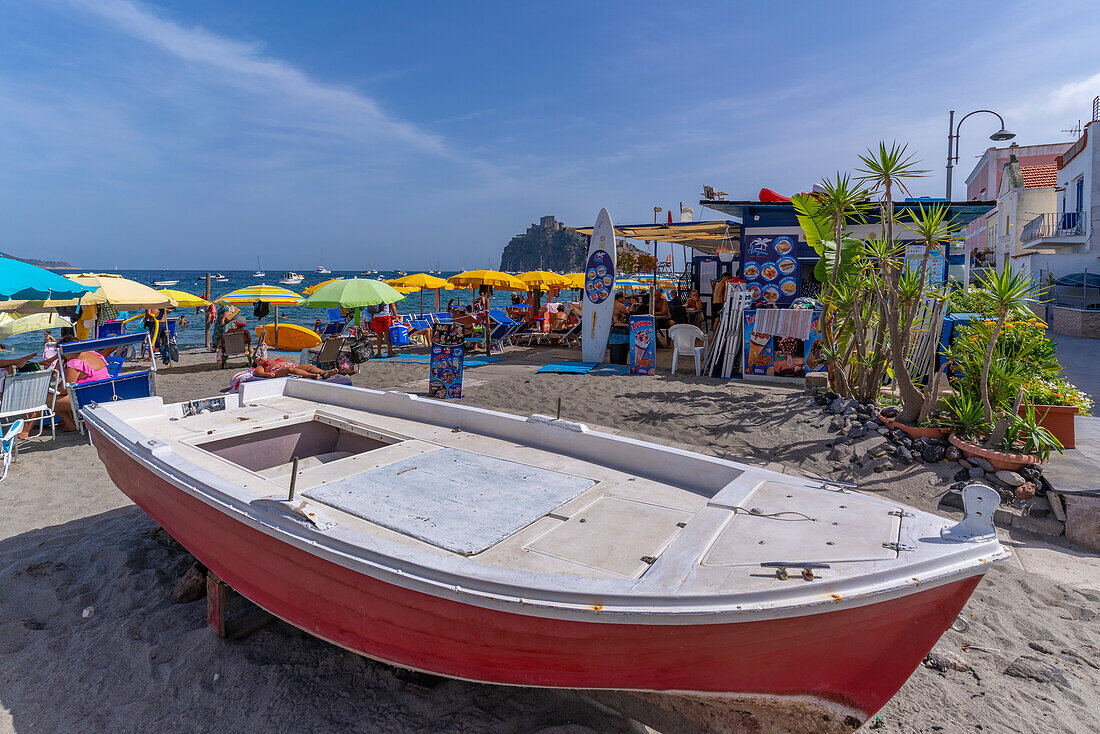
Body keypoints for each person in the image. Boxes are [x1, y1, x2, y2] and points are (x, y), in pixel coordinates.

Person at [52, 338, 110, 431]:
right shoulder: (94, 354)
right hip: (105, 393)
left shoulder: (75, 363)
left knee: (48, 399)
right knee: (52, 396)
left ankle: (70, 424)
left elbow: (67, 389)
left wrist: (54, 390)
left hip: (88, 399)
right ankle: (69, 424)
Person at [251, 355, 336, 380]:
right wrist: (268, 375)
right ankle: (311, 376)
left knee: (309, 366)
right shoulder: (262, 366)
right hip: (277, 371)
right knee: (289, 370)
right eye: (258, 360)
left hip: (293, 366)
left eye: (261, 357)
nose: (261, 359)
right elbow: (257, 373)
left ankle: (325, 373)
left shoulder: (275, 360)